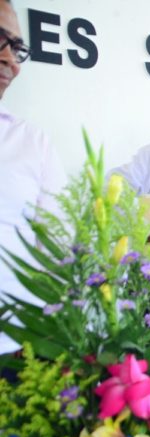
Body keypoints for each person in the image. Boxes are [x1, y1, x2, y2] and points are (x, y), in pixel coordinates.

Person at [0, 0, 66, 355]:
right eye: (0, 39)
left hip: (15, 348)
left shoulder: (32, 142)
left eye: (17, 47)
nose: (10, 59)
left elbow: (56, 249)